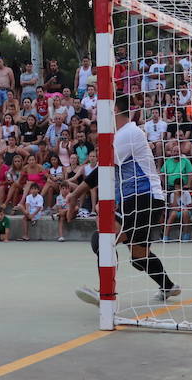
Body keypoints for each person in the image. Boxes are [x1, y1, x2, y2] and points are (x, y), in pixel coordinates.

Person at [75, 96, 180, 305]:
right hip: (142, 199)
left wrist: (74, 194)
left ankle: (105, 292)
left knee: (103, 238)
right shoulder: (123, 134)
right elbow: (114, 173)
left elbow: (102, 169)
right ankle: (169, 286)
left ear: (114, 110)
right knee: (139, 256)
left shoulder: (127, 133)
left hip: (144, 197)